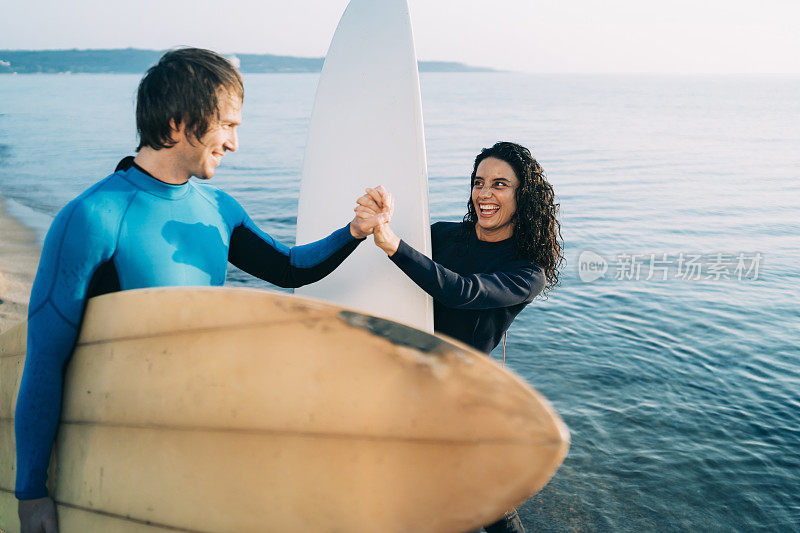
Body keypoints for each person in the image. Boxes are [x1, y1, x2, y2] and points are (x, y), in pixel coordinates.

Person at [14, 48, 391, 532]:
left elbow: (291, 268)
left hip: (196, 450)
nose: (235, 143)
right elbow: (44, 361)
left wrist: (356, 230)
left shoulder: (218, 208)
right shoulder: (92, 218)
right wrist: (32, 494)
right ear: (176, 124)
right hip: (118, 459)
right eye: (227, 126)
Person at [356, 141, 564, 533]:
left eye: (500, 184)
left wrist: (394, 245)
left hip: (464, 398)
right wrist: (377, 216)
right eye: (479, 182)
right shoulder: (445, 236)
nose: (485, 194)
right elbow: (398, 273)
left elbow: (462, 291)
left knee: (486, 503)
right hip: (411, 383)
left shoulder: (526, 270)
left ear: (525, 196)